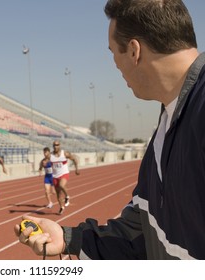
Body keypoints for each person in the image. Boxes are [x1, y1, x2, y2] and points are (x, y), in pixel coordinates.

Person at [15, 0, 205, 259]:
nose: (114, 64)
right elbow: (141, 230)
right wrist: (70, 238)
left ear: (134, 51)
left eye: (112, 52)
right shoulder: (165, 128)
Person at [50, 140, 80, 215]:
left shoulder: (65, 153)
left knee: (61, 185)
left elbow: (74, 159)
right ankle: (61, 207)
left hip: (64, 173)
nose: (55, 146)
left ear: (60, 145)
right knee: (58, 194)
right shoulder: (51, 155)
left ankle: (67, 196)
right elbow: (44, 162)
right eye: (54, 145)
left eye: (57, 145)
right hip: (55, 176)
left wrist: (76, 169)